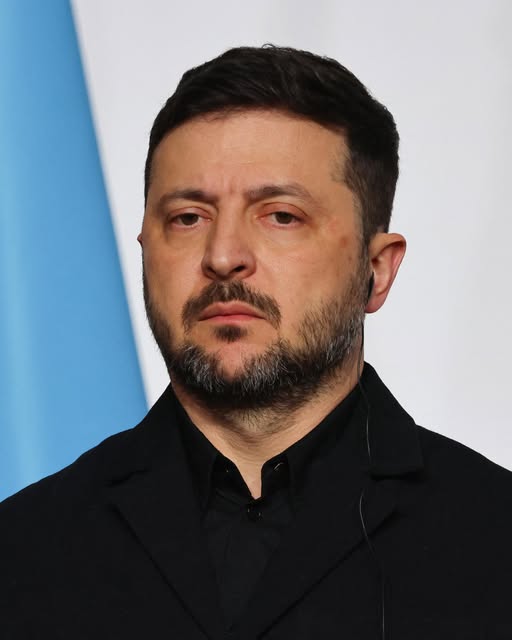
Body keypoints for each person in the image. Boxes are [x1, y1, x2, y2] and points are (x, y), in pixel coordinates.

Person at [1, 45, 511, 640]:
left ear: (377, 270)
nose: (223, 257)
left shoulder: (496, 539)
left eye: (281, 216)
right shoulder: (22, 549)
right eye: (188, 217)